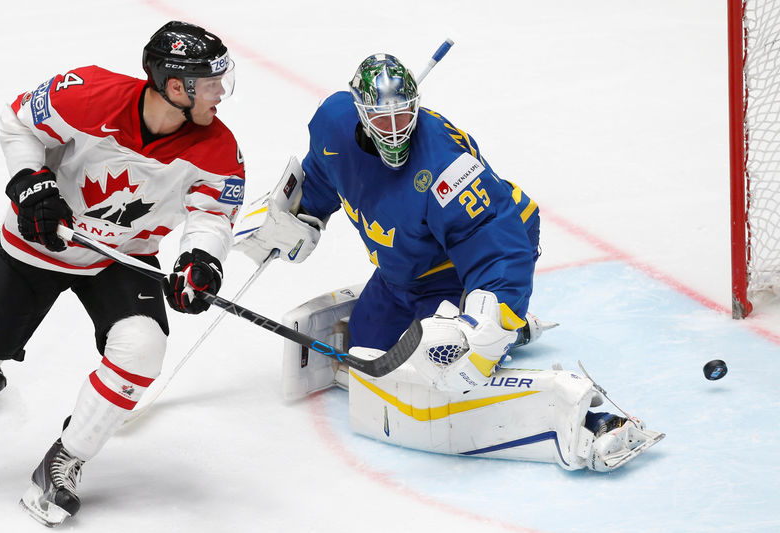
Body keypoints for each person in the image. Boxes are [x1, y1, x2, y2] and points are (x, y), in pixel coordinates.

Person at [239, 53, 663, 471]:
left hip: (465, 265)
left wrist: (489, 317)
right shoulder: (333, 122)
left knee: (438, 371)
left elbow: (497, 241)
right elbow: (327, 171)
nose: (394, 132)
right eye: (382, 120)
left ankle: (549, 373)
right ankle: (513, 326)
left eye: (404, 116)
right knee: (367, 352)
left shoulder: (445, 166)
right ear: (359, 112)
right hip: (402, 270)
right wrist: (302, 213)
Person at [0, 21, 244, 526]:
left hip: (122, 257)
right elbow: (17, 123)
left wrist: (200, 261)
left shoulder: (218, 148)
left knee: (142, 347)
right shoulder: (89, 93)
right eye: (211, 84)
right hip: (39, 243)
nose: (221, 95)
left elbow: (212, 215)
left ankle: (67, 459)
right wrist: (31, 184)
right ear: (175, 87)